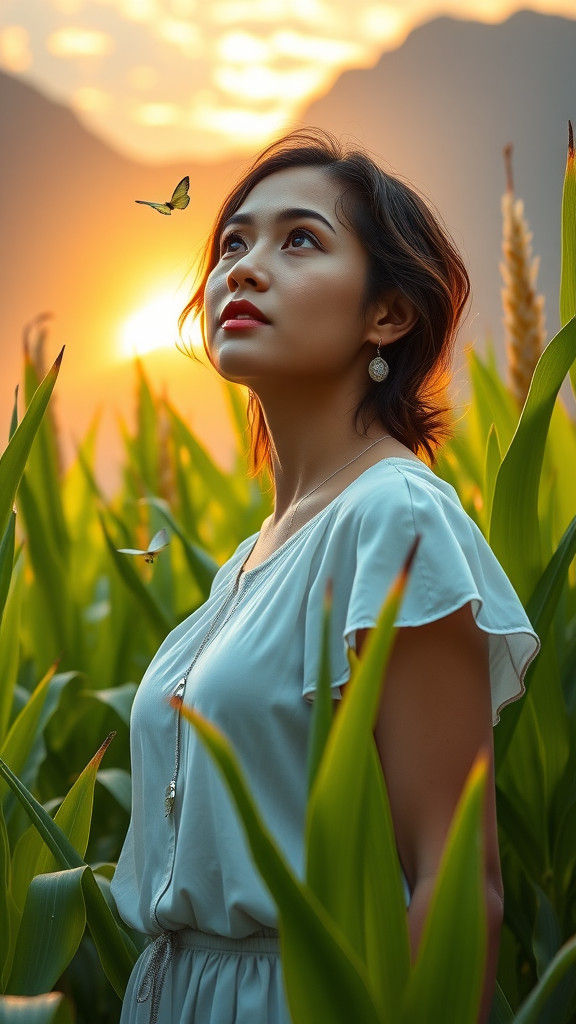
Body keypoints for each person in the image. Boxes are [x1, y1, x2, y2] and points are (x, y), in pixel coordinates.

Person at [109, 126, 541, 1024]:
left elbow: (453, 883)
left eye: (298, 239)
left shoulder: (396, 520)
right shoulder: (248, 559)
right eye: (233, 243)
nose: (244, 268)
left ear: (388, 314)